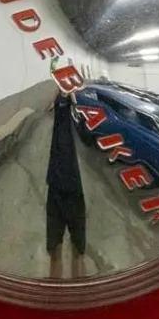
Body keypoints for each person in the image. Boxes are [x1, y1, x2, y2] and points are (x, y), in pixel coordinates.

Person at [45, 91, 88, 280]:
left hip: (75, 191)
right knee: (56, 250)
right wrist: (58, 97)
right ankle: (57, 294)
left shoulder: (79, 119)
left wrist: (74, 100)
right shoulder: (58, 118)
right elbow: (48, 111)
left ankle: (78, 291)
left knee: (77, 251)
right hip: (57, 188)